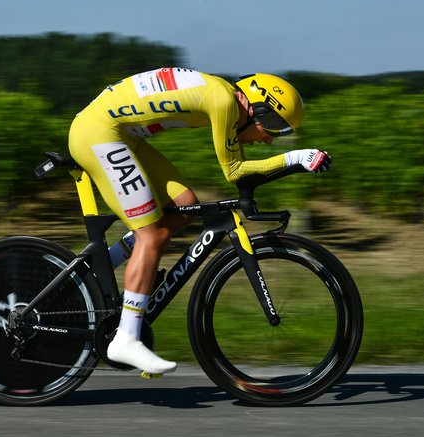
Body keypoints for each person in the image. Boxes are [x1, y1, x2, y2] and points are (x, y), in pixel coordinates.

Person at [68, 67, 331, 374]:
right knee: (151, 237)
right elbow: (234, 172)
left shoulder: (222, 96)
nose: (270, 140)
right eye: (274, 129)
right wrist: (296, 157)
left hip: (121, 134)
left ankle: (99, 270)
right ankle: (126, 337)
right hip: (100, 133)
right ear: (261, 110)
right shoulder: (222, 101)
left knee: (185, 206)